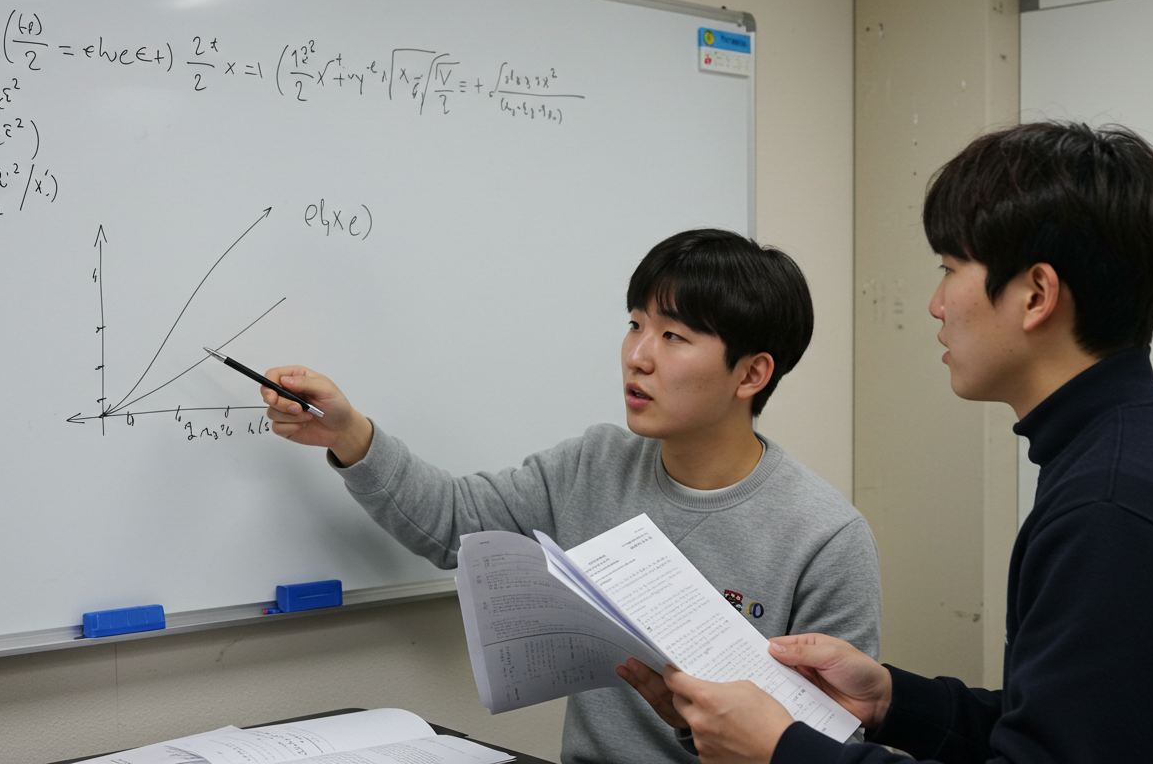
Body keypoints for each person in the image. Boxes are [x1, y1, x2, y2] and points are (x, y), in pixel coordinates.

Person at [621, 122, 1153, 763]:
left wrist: (781, 749)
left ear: (1036, 295)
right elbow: (1059, 726)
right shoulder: (1137, 447)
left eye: (951, 268)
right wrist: (891, 700)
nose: (936, 304)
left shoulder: (1112, 509)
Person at [260, 228, 883, 764]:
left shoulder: (825, 537)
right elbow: (456, 525)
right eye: (635, 324)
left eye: (673, 336)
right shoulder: (595, 463)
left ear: (751, 373)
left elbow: (828, 743)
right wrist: (350, 435)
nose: (637, 356)